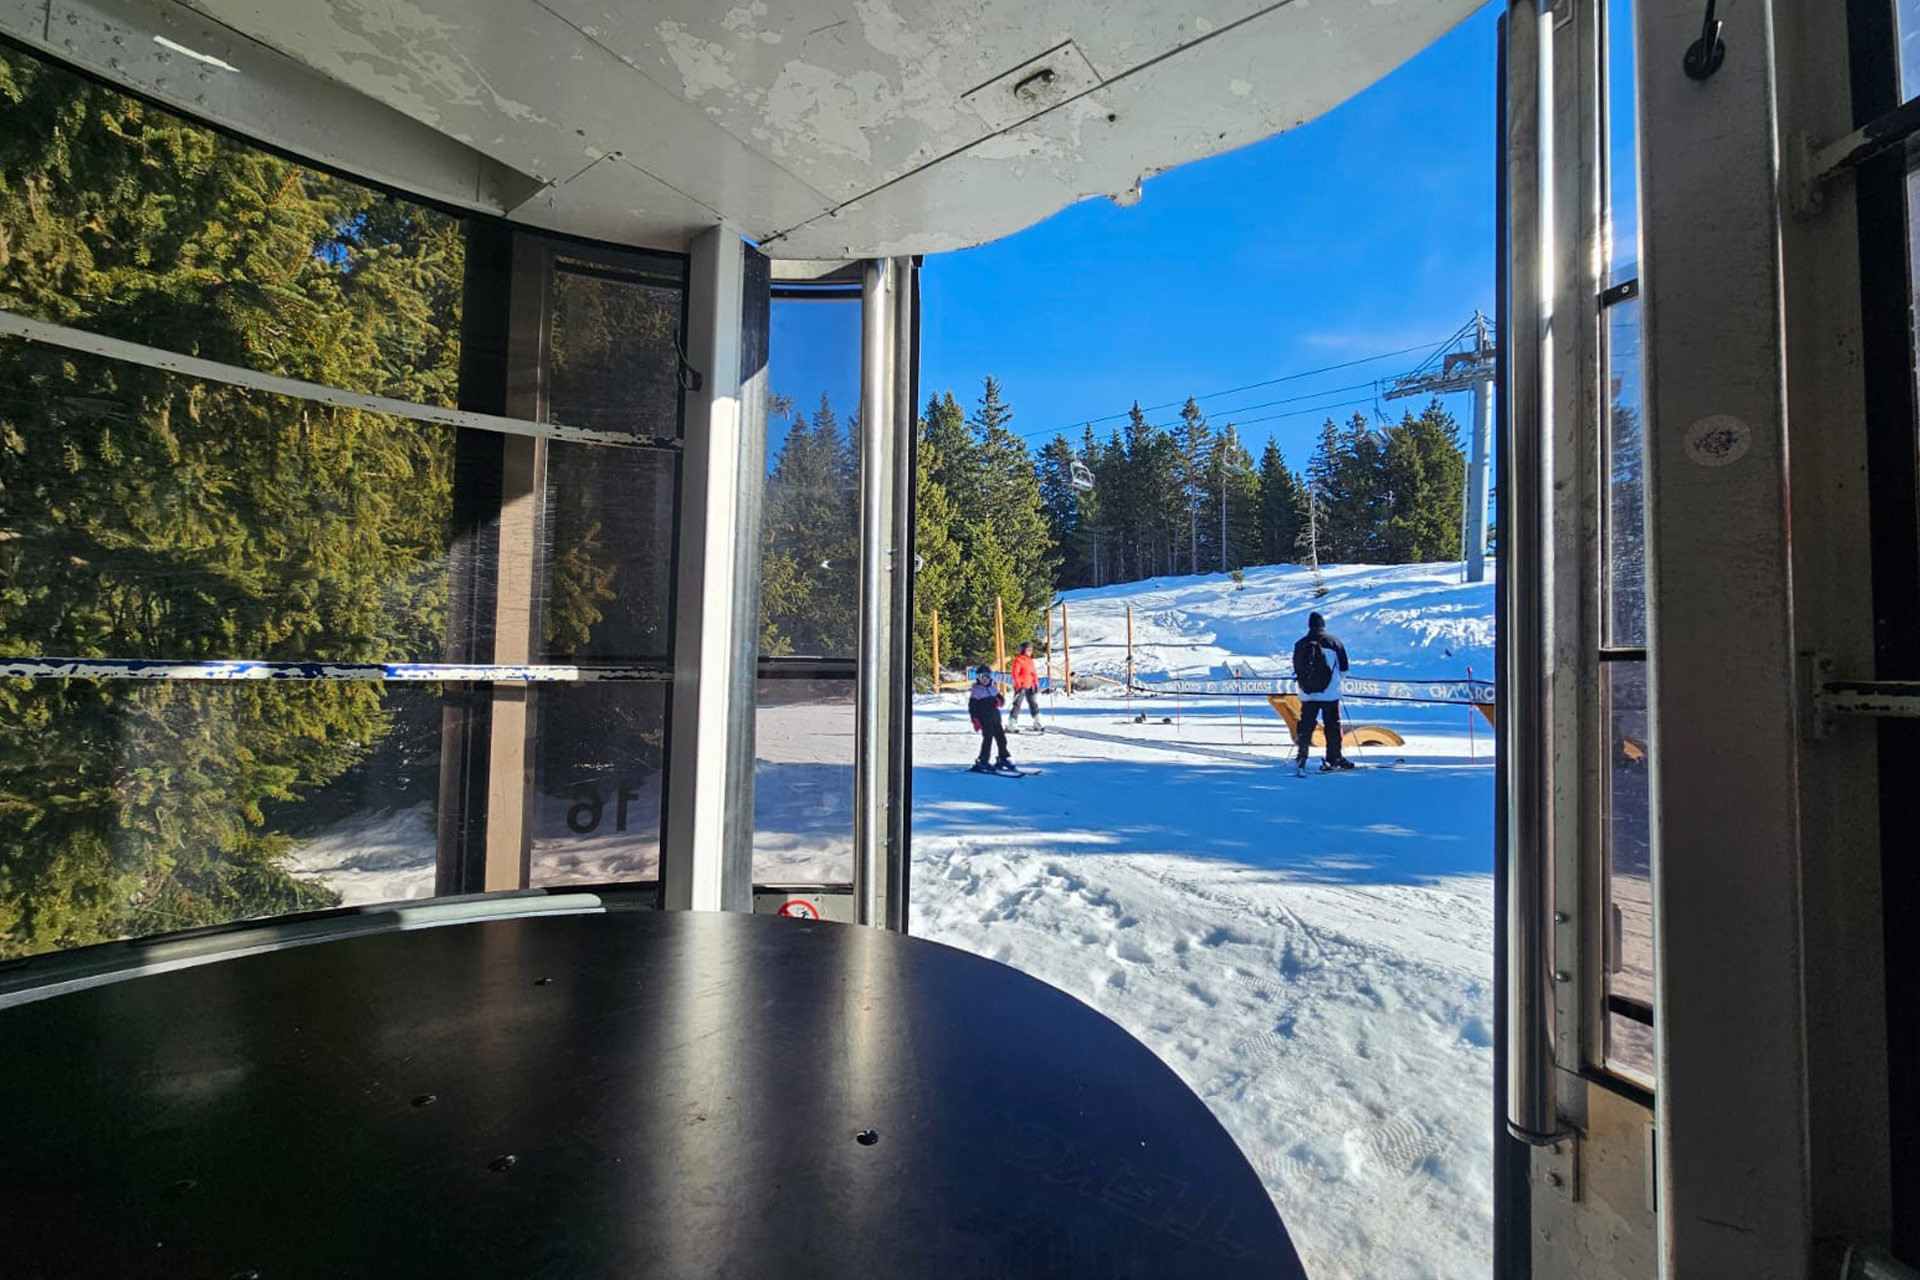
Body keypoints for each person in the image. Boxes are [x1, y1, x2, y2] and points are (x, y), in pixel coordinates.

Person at [1291, 611, 1353, 775]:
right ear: (1323, 625)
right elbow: (1344, 669)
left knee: (1306, 724)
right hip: (1330, 693)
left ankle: (1302, 755)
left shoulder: (1300, 644)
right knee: (1332, 725)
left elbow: (1297, 667)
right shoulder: (1334, 642)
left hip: (1307, 692)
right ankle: (1334, 757)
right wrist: (1334, 681)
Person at [968, 664, 1015, 773]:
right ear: (978, 678)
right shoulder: (976, 691)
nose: (985, 679)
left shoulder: (992, 688)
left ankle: (1003, 758)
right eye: (982, 677)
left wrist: (999, 701)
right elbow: (972, 707)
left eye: (987, 676)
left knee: (1001, 738)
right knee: (988, 738)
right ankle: (983, 760)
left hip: (995, 717)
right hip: (984, 718)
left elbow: (1001, 700)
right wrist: (975, 719)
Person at [1007, 641, 1043, 731]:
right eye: (1028, 650)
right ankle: (1012, 723)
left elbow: (1033, 673)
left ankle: (1037, 721)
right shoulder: (1018, 660)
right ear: (1023, 650)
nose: (1030, 652)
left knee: (1033, 703)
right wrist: (1018, 684)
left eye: (1031, 650)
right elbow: (1015, 673)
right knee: (1017, 704)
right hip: (1021, 686)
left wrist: (1036, 684)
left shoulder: (1030, 660)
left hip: (1030, 685)